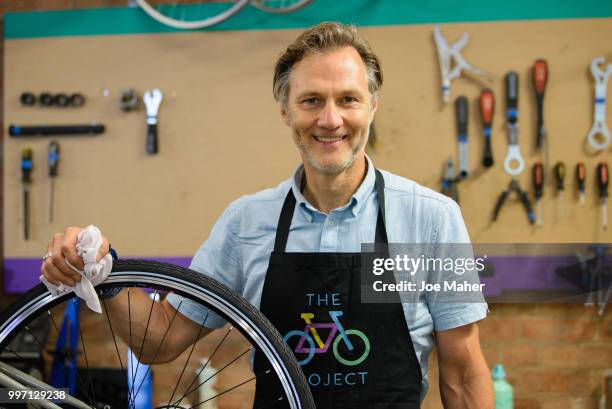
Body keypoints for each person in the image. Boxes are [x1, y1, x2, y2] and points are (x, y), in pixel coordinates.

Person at [42, 22, 493, 408]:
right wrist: (102, 267)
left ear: (372, 106)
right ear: (285, 110)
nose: (331, 119)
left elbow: (464, 371)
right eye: (311, 100)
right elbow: (160, 338)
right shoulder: (245, 224)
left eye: (348, 100)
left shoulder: (432, 220)